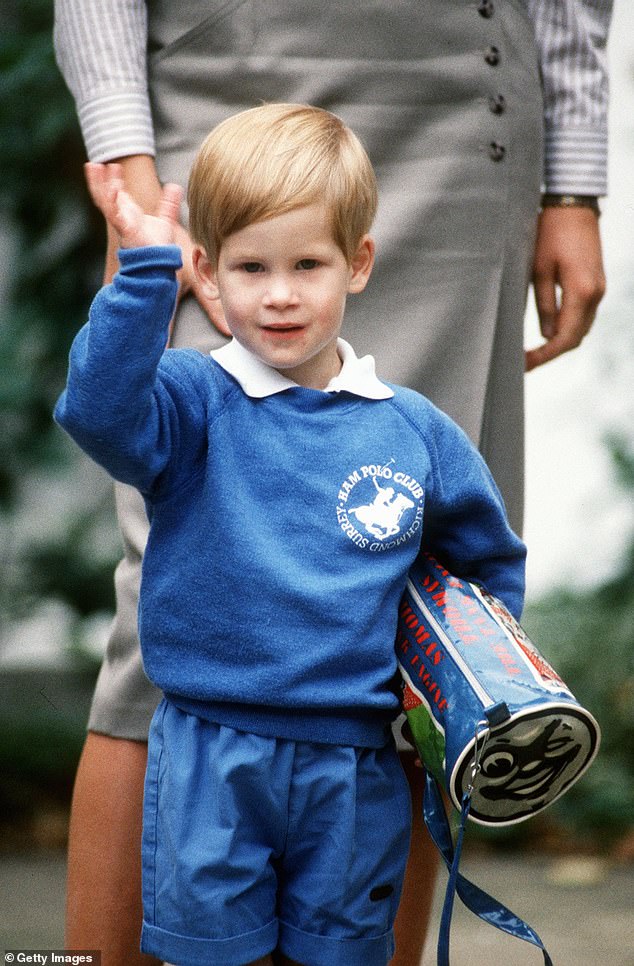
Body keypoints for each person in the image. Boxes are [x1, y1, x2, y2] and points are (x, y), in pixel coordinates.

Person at [52, 2, 612, 963]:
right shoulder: (189, 394)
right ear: (210, 269)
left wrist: (576, 183)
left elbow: (476, 571)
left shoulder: (416, 432)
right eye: (251, 271)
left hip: (356, 772)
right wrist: (144, 268)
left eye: (307, 267)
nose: (277, 295)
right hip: (210, 757)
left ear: (356, 265)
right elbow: (99, 413)